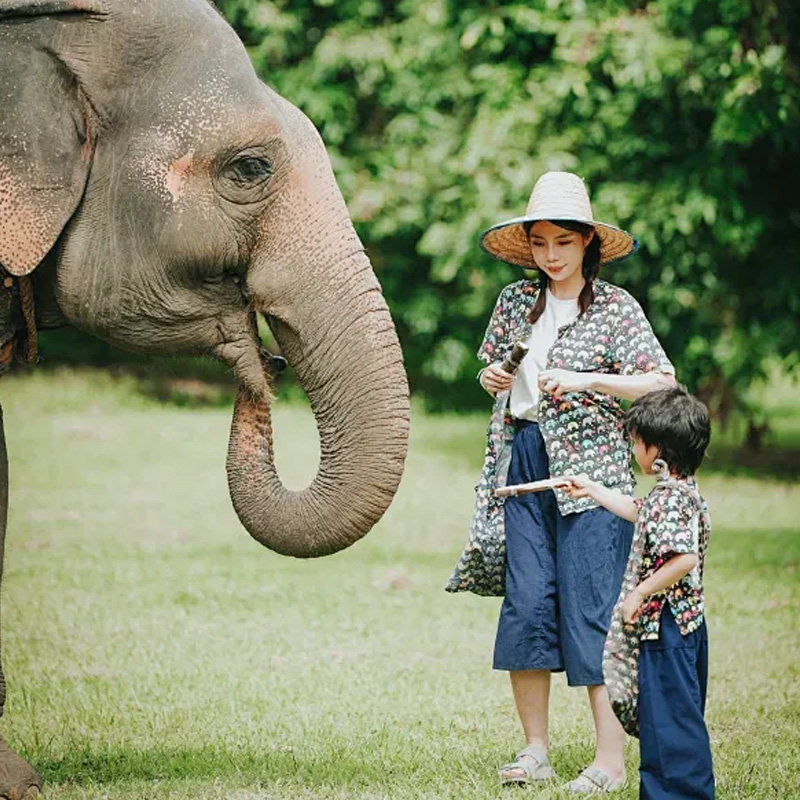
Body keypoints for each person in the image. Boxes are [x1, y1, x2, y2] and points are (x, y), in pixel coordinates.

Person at [468, 171, 676, 793]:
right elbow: (492, 365)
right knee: (528, 605)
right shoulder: (513, 302)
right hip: (524, 463)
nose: (551, 256)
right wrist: (491, 380)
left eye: (563, 242)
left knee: (591, 609)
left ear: (587, 242)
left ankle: (609, 762)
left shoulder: (617, 309)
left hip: (593, 474)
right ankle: (536, 750)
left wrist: (589, 381)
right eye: (539, 244)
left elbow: (661, 382)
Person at [566, 386, 714, 799]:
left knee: (669, 718)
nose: (634, 449)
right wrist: (594, 490)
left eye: (637, 442)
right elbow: (639, 511)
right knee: (668, 713)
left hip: (667, 627)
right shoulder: (679, 491)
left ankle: (678, 793)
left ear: (659, 450)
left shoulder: (669, 499)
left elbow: (682, 558)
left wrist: (638, 594)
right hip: (683, 628)